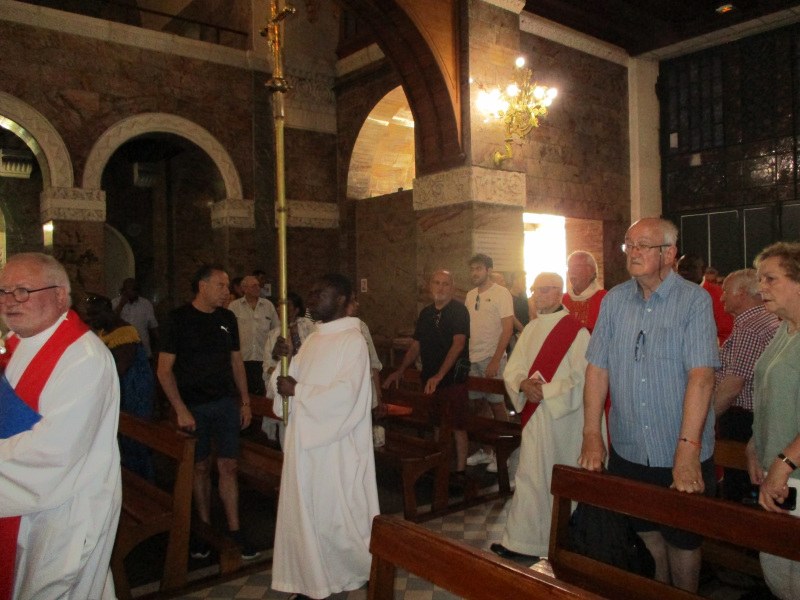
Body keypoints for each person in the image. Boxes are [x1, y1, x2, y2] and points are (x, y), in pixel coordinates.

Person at [579, 217, 719, 593]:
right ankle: (658, 587)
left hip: (677, 446)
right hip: (628, 447)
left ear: (669, 254)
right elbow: (597, 369)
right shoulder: (614, 300)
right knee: (644, 532)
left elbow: (702, 377)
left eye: (643, 245)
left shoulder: (694, 301)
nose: (633, 252)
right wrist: (592, 433)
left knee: (683, 539)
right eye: (629, 244)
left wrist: (687, 450)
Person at [0, 253, 121, 600]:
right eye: (4, 291)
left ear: (59, 296)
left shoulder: (82, 359)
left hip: (61, 513)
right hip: (29, 506)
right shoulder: (19, 342)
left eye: (23, 291)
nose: (10, 301)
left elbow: (49, 454)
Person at [269, 274, 379, 600]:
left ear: (343, 299)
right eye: (312, 292)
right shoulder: (315, 340)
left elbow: (347, 395)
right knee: (307, 516)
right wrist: (282, 362)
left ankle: (343, 574)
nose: (312, 298)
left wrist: (298, 391)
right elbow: (285, 387)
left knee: (334, 519)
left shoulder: (352, 341)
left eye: (320, 293)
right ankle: (311, 579)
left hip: (335, 449)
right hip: (306, 446)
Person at [157, 264, 257, 559]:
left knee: (228, 466)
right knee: (200, 468)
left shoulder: (227, 319)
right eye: (221, 285)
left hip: (224, 403)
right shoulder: (178, 319)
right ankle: (204, 529)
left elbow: (236, 362)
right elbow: (164, 370)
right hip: (194, 406)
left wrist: (245, 401)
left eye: (227, 286)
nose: (227, 291)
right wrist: (180, 409)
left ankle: (235, 530)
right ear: (202, 286)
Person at [490, 272, 589, 561]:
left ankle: (560, 541)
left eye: (544, 290)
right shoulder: (531, 328)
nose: (537, 296)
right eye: (536, 290)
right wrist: (523, 384)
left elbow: (582, 379)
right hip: (535, 418)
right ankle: (521, 541)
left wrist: (545, 391)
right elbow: (514, 368)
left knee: (554, 480)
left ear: (558, 292)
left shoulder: (577, 332)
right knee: (529, 476)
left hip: (562, 421)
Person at [746, 242, 800, 600]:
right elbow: (769, 393)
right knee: (781, 579)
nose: (760, 287)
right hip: (778, 473)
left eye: (771, 279)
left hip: (793, 473)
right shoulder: (785, 329)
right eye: (759, 279)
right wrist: (755, 444)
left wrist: (784, 462)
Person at [383, 269, 471, 472]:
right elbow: (416, 345)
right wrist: (400, 370)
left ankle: (461, 471)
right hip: (430, 378)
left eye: (445, 283)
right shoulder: (426, 313)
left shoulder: (459, 311)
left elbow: (458, 344)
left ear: (452, 288)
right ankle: (440, 467)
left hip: (453, 378)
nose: (440, 287)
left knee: (458, 426)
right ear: (430, 286)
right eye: (436, 283)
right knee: (437, 424)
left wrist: (440, 375)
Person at [714, 269, 779, 500]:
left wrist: (705, 419)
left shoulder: (749, 328)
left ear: (741, 293)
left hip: (742, 420)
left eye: (725, 291)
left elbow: (734, 385)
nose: (721, 297)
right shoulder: (767, 319)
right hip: (756, 417)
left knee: (739, 489)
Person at [84, 293, 156, 480]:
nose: (92, 321)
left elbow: (118, 368)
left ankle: (143, 482)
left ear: (107, 311)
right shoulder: (105, 331)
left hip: (134, 391)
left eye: (94, 315)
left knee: (135, 440)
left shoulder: (125, 332)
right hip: (120, 390)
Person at [464, 253, 514, 473]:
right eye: (472, 269)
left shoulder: (501, 293)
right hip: (472, 357)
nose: (474, 273)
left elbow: (507, 329)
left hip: (491, 357)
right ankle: (486, 450)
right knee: (479, 405)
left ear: (489, 270)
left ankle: (504, 454)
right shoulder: (470, 295)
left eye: (478, 268)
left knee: (497, 404)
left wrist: (495, 360)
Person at [261, 291, 316, 444]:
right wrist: (281, 372)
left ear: (296, 309)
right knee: (287, 438)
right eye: (278, 306)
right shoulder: (274, 334)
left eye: (286, 306)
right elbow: (267, 366)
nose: (280, 309)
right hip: (284, 388)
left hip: (306, 388)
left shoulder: (309, 328)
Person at [228, 275, 280, 395]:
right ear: (244, 288)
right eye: (253, 286)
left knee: (261, 394)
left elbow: (276, 330)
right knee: (242, 392)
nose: (257, 288)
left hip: (263, 358)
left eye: (258, 285)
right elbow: (229, 332)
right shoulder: (234, 306)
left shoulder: (268, 305)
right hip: (242, 359)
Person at [677, 254, 733, 344]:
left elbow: (726, 333)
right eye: (681, 268)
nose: (685, 272)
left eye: (691, 268)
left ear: (703, 270)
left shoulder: (717, 294)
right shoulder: (670, 293)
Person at [347, 294, 383, 408]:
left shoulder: (361, 326)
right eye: (353, 300)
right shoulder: (321, 330)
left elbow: (373, 362)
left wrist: (378, 395)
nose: (357, 304)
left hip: (366, 395)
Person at [113, 277, 160, 359]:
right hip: (122, 351)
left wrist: (160, 345)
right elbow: (111, 321)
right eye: (128, 289)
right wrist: (121, 305)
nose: (131, 292)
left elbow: (153, 326)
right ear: (123, 290)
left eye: (134, 289)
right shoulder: (114, 303)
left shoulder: (146, 304)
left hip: (143, 350)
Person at [561, 250, 607, 332]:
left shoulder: (605, 299)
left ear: (591, 270)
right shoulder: (562, 300)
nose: (572, 271)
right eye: (569, 267)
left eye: (577, 266)